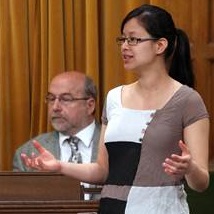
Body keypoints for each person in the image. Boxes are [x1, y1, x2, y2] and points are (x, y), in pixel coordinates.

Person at [20, 4, 209, 214]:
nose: (125, 47)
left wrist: (190, 168)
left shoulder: (188, 100)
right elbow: (102, 170)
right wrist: (59, 166)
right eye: (122, 39)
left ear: (160, 45)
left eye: (134, 39)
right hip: (113, 207)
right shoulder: (114, 98)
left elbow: (201, 183)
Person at [13, 71, 101, 199]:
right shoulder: (28, 153)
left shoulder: (116, 145)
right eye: (51, 99)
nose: (55, 107)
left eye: (65, 99)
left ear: (90, 105)